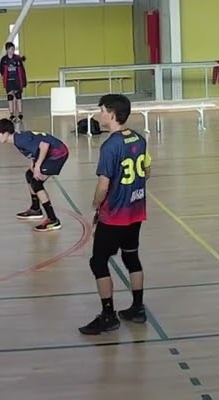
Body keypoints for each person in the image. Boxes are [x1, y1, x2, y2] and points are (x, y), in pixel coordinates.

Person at [79, 94, 148, 336]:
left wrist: (96, 205)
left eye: (101, 110)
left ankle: (108, 315)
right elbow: (147, 171)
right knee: (131, 258)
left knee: (98, 261)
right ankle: (138, 308)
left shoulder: (110, 146)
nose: (98, 114)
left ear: (112, 114)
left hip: (115, 215)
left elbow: (103, 185)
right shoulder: (139, 139)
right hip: (136, 211)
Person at [0, 119, 69, 232]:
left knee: (36, 181)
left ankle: (53, 219)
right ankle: (35, 209)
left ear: (5, 133)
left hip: (57, 154)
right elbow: (35, 151)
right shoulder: (18, 139)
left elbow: (44, 145)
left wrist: (38, 166)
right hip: (52, 153)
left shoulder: (20, 140)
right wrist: (34, 165)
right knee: (29, 174)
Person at [0, 43, 28, 124]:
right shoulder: (4, 60)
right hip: (9, 80)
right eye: (11, 49)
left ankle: (20, 114)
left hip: (17, 80)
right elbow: (2, 70)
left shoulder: (17, 59)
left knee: (18, 96)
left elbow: (22, 70)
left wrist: (24, 81)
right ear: (7, 50)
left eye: (13, 49)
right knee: (10, 96)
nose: (12, 51)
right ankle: (12, 114)